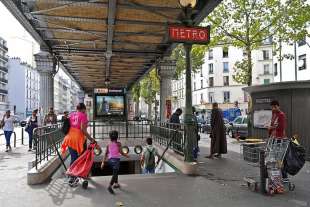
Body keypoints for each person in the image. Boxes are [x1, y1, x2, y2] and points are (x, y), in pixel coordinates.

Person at [61, 103, 96, 186]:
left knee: (73, 157)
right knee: (82, 158)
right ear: (83, 109)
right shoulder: (83, 115)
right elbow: (83, 130)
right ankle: (81, 175)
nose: (85, 111)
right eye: (85, 109)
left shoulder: (71, 114)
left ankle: (71, 177)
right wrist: (91, 139)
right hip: (78, 139)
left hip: (69, 138)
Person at [268, 100, 288, 179]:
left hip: (280, 139)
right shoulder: (274, 114)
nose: (273, 109)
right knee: (273, 158)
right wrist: (269, 133)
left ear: (278, 106)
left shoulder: (281, 115)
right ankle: (275, 176)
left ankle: (284, 176)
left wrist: (271, 128)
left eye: (275, 107)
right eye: (272, 107)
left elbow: (281, 127)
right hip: (273, 139)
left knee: (279, 158)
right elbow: (272, 124)